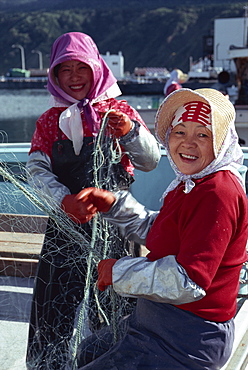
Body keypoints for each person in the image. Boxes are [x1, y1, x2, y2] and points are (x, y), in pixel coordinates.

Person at [74, 88, 248, 369]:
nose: (188, 143)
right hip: (156, 318)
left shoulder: (218, 192)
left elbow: (188, 281)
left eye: (203, 135)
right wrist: (113, 205)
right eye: (180, 132)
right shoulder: (192, 182)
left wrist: (118, 271)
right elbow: (164, 231)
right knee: (89, 350)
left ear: (221, 141)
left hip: (189, 337)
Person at [25, 32, 160, 369]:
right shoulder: (48, 122)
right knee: (55, 308)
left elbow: (150, 160)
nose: (74, 77)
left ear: (96, 69)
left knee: (115, 306)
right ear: (54, 76)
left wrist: (130, 132)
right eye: (64, 69)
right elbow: (36, 171)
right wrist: (63, 201)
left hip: (115, 230)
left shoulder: (120, 111)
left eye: (81, 68)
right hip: (64, 231)